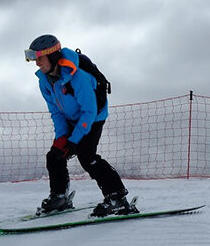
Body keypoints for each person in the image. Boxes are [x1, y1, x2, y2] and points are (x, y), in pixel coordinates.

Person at [25, 34, 138, 217]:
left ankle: (117, 198)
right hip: (71, 119)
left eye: (39, 58)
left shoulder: (78, 77)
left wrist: (74, 140)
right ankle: (59, 197)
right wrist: (62, 138)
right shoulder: (44, 81)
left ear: (52, 56)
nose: (36, 63)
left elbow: (89, 111)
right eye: (33, 58)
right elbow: (56, 112)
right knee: (55, 156)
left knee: (87, 156)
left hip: (93, 118)